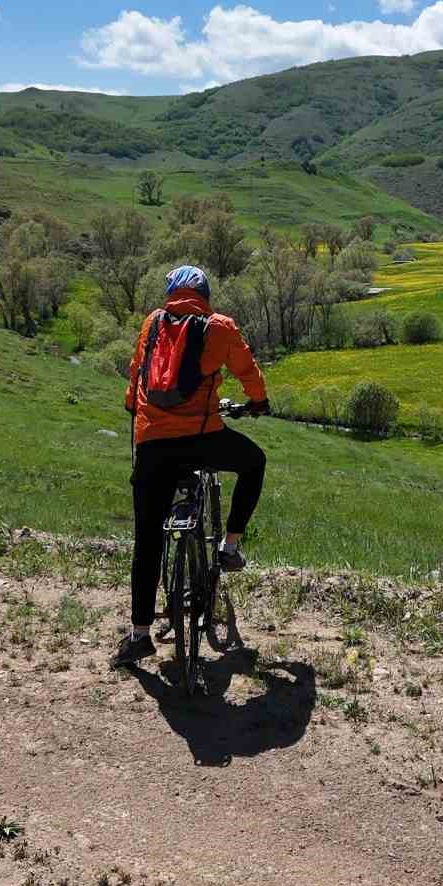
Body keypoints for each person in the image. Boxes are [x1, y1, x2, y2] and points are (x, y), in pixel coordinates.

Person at [111, 265, 270, 668]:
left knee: (147, 540)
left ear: (169, 294)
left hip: (151, 446)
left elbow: (137, 375)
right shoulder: (218, 326)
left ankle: (140, 635)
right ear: (205, 294)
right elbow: (246, 368)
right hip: (203, 440)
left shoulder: (151, 324)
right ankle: (229, 546)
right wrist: (258, 401)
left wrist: (135, 406)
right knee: (254, 462)